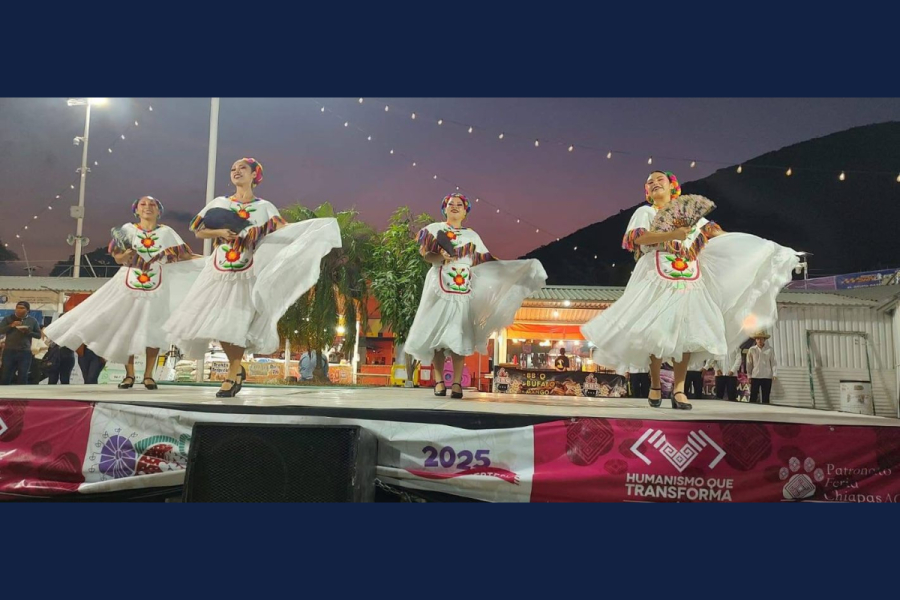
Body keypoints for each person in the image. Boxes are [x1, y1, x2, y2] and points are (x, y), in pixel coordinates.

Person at [581, 170, 799, 410]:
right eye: (649, 182)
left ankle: (679, 389)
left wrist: (757, 249)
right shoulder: (645, 212)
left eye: (659, 180)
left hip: (689, 276)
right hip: (656, 273)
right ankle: (655, 384)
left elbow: (716, 234)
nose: (654, 184)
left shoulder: (691, 214)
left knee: (686, 333)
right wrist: (674, 234)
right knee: (656, 331)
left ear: (673, 186)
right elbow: (637, 240)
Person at [164, 158, 341, 397]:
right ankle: (236, 370)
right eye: (233, 169)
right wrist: (220, 232)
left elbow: (283, 230)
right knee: (217, 322)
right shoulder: (220, 203)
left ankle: (233, 372)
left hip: (247, 271)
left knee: (235, 322)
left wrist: (310, 233)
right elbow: (197, 228)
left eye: (242, 169)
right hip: (219, 268)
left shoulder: (265, 207)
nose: (236, 172)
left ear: (255, 175)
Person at [44, 196, 203, 390]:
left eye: (152, 204)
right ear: (136, 210)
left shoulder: (166, 232)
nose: (147, 207)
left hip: (158, 285)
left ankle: (148, 375)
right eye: (143, 204)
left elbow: (184, 255)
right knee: (127, 328)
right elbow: (117, 256)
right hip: (128, 283)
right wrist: (124, 256)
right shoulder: (127, 230)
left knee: (154, 329)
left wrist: (209, 261)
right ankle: (129, 375)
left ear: (159, 211)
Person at [405, 193, 547, 399]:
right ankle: (438, 380)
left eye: (459, 205)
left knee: (459, 332)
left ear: (465, 211)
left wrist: (516, 270)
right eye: (450, 204)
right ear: (444, 209)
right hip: (438, 284)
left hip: (464, 288)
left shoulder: (472, 236)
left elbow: (486, 262)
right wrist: (441, 256)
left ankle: (455, 384)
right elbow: (426, 255)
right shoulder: (433, 230)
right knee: (436, 333)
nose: (454, 207)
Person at [0, 301, 42, 385]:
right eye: (17, 308)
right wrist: (11, 325)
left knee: (23, 375)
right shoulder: (8, 319)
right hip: (9, 351)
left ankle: (21, 396)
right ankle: (4, 395)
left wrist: (28, 332)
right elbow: (1, 330)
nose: (19, 310)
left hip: (25, 352)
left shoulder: (32, 320)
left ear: (28, 310)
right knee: (6, 374)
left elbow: (38, 335)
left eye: (22, 308)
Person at [747, 331, 777, 404]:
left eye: (761, 339)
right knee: (753, 395)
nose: (760, 341)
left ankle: (766, 412)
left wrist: (774, 374)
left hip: (766, 376)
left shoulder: (770, 349)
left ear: (764, 340)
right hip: (755, 375)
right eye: (758, 339)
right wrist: (749, 375)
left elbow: (773, 362)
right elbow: (749, 364)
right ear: (756, 340)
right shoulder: (752, 350)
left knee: (766, 396)